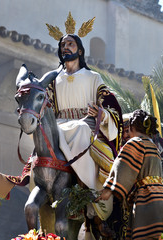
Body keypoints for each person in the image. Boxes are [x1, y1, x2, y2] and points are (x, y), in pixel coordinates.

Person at [47, 33, 122, 237]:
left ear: (80, 50)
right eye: (62, 45)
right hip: (59, 124)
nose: (65, 48)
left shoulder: (93, 78)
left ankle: (89, 192)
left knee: (79, 130)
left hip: (85, 124)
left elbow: (112, 107)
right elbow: (46, 107)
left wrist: (100, 113)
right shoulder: (54, 79)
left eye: (70, 44)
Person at [96, 109, 163, 240]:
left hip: (149, 203)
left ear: (131, 127)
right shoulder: (154, 147)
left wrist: (109, 189)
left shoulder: (135, 142)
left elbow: (123, 165)